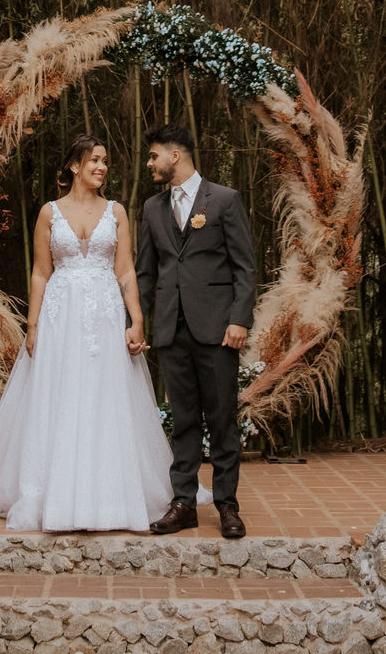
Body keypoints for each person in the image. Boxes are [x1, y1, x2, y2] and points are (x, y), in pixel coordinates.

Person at [0, 134, 175, 531]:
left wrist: (137, 320)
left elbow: (126, 270)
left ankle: (108, 495)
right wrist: (33, 324)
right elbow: (41, 272)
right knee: (60, 397)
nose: (101, 167)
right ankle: (52, 490)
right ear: (74, 166)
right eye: (94, 160)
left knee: (104, 397)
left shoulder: (116, 212)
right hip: (61, 316)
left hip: (103, 314)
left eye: (105, 162)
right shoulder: (49, 212)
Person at [135, 124, 256, 539]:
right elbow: (145, 273)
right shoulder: (152, 208)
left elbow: (244, 266)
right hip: (171, 329)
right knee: (183, 421)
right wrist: (137, 321)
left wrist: (239, 319)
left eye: (154, 156)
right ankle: (183, 503)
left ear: (176, 155)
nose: (149, 163)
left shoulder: (223, 200)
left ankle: (227, 505)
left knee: (222, 420)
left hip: (218, 330)